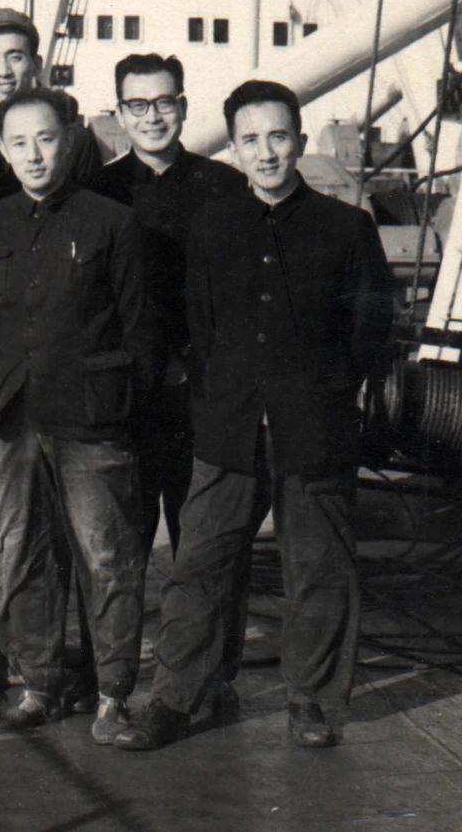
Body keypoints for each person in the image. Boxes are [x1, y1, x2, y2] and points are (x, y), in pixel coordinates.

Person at [116, 80, 395, 752]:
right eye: (250, 140)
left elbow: (370, 327)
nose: (265, 152)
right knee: (199, 564)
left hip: (313, 428)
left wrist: (328, 393)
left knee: (319, 567)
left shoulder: (346, 228)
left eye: (277, 136)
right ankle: (176, 696)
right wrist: (219, 397)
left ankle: (312, 701)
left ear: (299, 139)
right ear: (235, 149)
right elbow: (200, 324)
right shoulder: (212, 226)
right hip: (229, 425)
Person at [0, 87, 155, 744]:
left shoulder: (112, 223)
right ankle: (37, 685)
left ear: (70, 140)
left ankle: (113, 696)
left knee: (107, 557)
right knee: (19, 553)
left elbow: (140, 331)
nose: (34, 154)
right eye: (19, 143)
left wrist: (119, 408)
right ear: (1, 149)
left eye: (46, 139)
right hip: (11, 414)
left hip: (90, 419)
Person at [89, 54, 245, 557]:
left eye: (163, 103)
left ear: (183, 106)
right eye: (137, 105)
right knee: (121, 546)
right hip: (127, 397)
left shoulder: (225, 186)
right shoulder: (96, 193)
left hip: (201, 394)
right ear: (119, 113)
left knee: (201, 545)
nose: (152, 117)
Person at [0, 8, 102, 198]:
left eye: (15, 57)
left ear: (36, 65)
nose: (4, 71)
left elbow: (94, 210)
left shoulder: (77, 141)